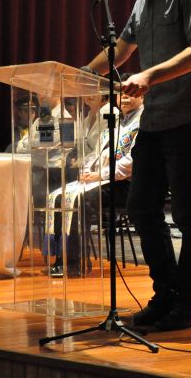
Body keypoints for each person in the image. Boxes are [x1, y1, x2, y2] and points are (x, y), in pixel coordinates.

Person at [85, 0, 191, 331]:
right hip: (156, 119)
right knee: (141, 207)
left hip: (189, 117)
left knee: (189, 214)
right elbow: (122, 50)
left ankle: (187, 303)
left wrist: (149, 75)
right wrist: (79, 78)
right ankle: (165, 296)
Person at [48, 82, 144, 278]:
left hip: (128, 184)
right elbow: (96, 153)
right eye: (121, 94)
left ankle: (76, 262)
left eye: (130, 93)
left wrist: (101, 174)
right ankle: (61, 258)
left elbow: (133, 161)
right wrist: (87, 171)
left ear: (142, 96)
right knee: (58, 197)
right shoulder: (117, 122)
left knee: (79, 200)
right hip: (105, 179)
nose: (125, 97)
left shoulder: (143, 122)